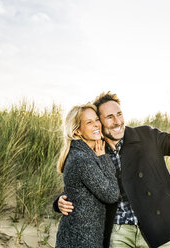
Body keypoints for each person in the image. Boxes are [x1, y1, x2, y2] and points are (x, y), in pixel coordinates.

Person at [54, 92, 170, 248]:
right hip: (118, 233)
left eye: (119, 114)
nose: (117, 122)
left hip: (154, 229)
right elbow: (85, 184)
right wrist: (60, 201)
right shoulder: (97, 150)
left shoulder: (146, 136)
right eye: (109, 117)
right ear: (100, 122)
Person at [55, 103, 120, 248]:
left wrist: (58, 201)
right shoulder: (82, 158)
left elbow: (78, 191)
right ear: (77, 131)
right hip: (80, 239)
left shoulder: (86, 152)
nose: (97, 125)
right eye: (89, 122)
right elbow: (111, 195)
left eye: (97, 120)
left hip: (83, 236)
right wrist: (103, 158)